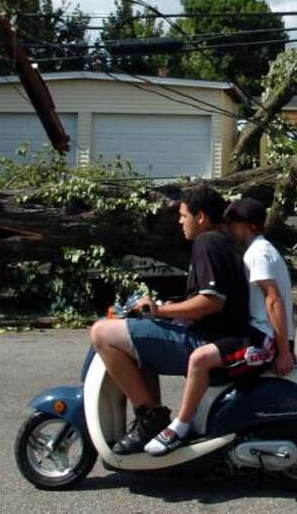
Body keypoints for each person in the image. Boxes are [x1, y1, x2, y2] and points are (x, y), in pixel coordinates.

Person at [88, 184, 249, 455]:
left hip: (205, 342)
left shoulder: (207, 242)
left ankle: (149, 418)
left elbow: (212, 301)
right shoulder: (223, 243)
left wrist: (161, 311)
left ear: (201, 217)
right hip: (217, 337)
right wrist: (169, 307)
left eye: (184, 215)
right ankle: (151, 416)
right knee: (137, 338)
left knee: (101, 333)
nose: (179, 221)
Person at [146, 196, 295, 455]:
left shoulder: (259, 253)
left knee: (199, 359)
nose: (227, 228)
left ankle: (178, 427)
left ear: (247, 226)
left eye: (232, 223)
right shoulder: (259, 250)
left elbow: (273, 300)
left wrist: (284, 352)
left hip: (265, 337)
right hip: (261, 333)